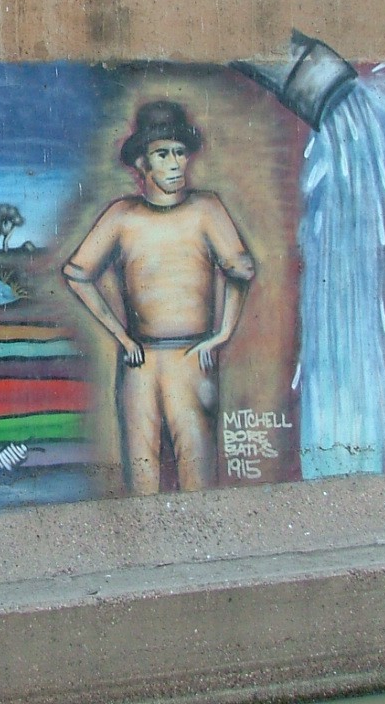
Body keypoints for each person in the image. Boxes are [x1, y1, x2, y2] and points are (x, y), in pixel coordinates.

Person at [63, 101, 255, 494]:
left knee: (197, 475)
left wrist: (222, 334)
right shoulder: (122, 215)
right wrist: (122, 337)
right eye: (162, 154)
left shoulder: (206, 208)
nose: (175, 164)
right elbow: (77, 273)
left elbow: (241, 269)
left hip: (191, 358)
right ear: (142, 163)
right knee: (142, 476)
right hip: (141, 363)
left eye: (180, 152)